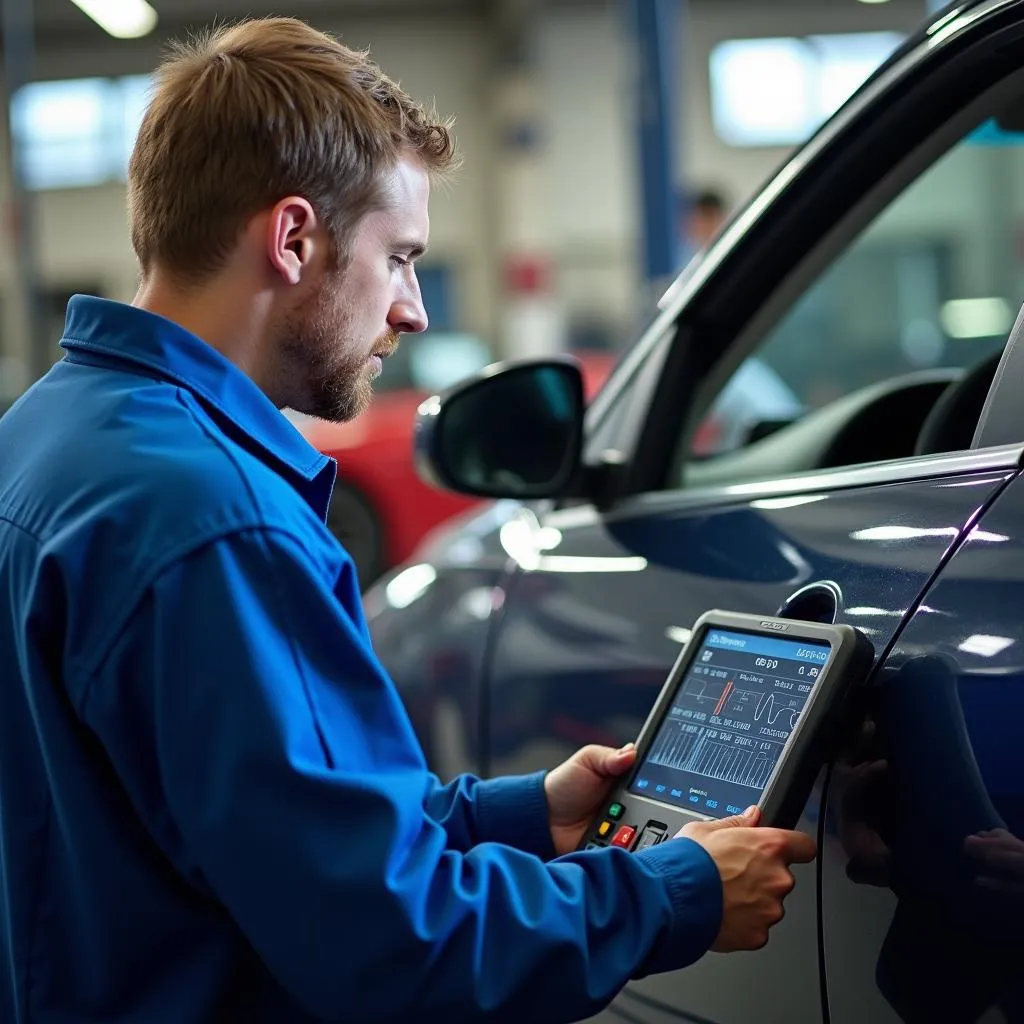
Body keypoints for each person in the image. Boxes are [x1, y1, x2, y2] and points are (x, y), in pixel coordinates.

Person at [0, 18, 816, 1023]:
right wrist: (673, 892)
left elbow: (259, 814)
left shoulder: (46, 435)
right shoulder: (215, 522)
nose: (414, 309)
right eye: (400, 257)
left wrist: (522, 816)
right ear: (293, 238)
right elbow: (397, 946)